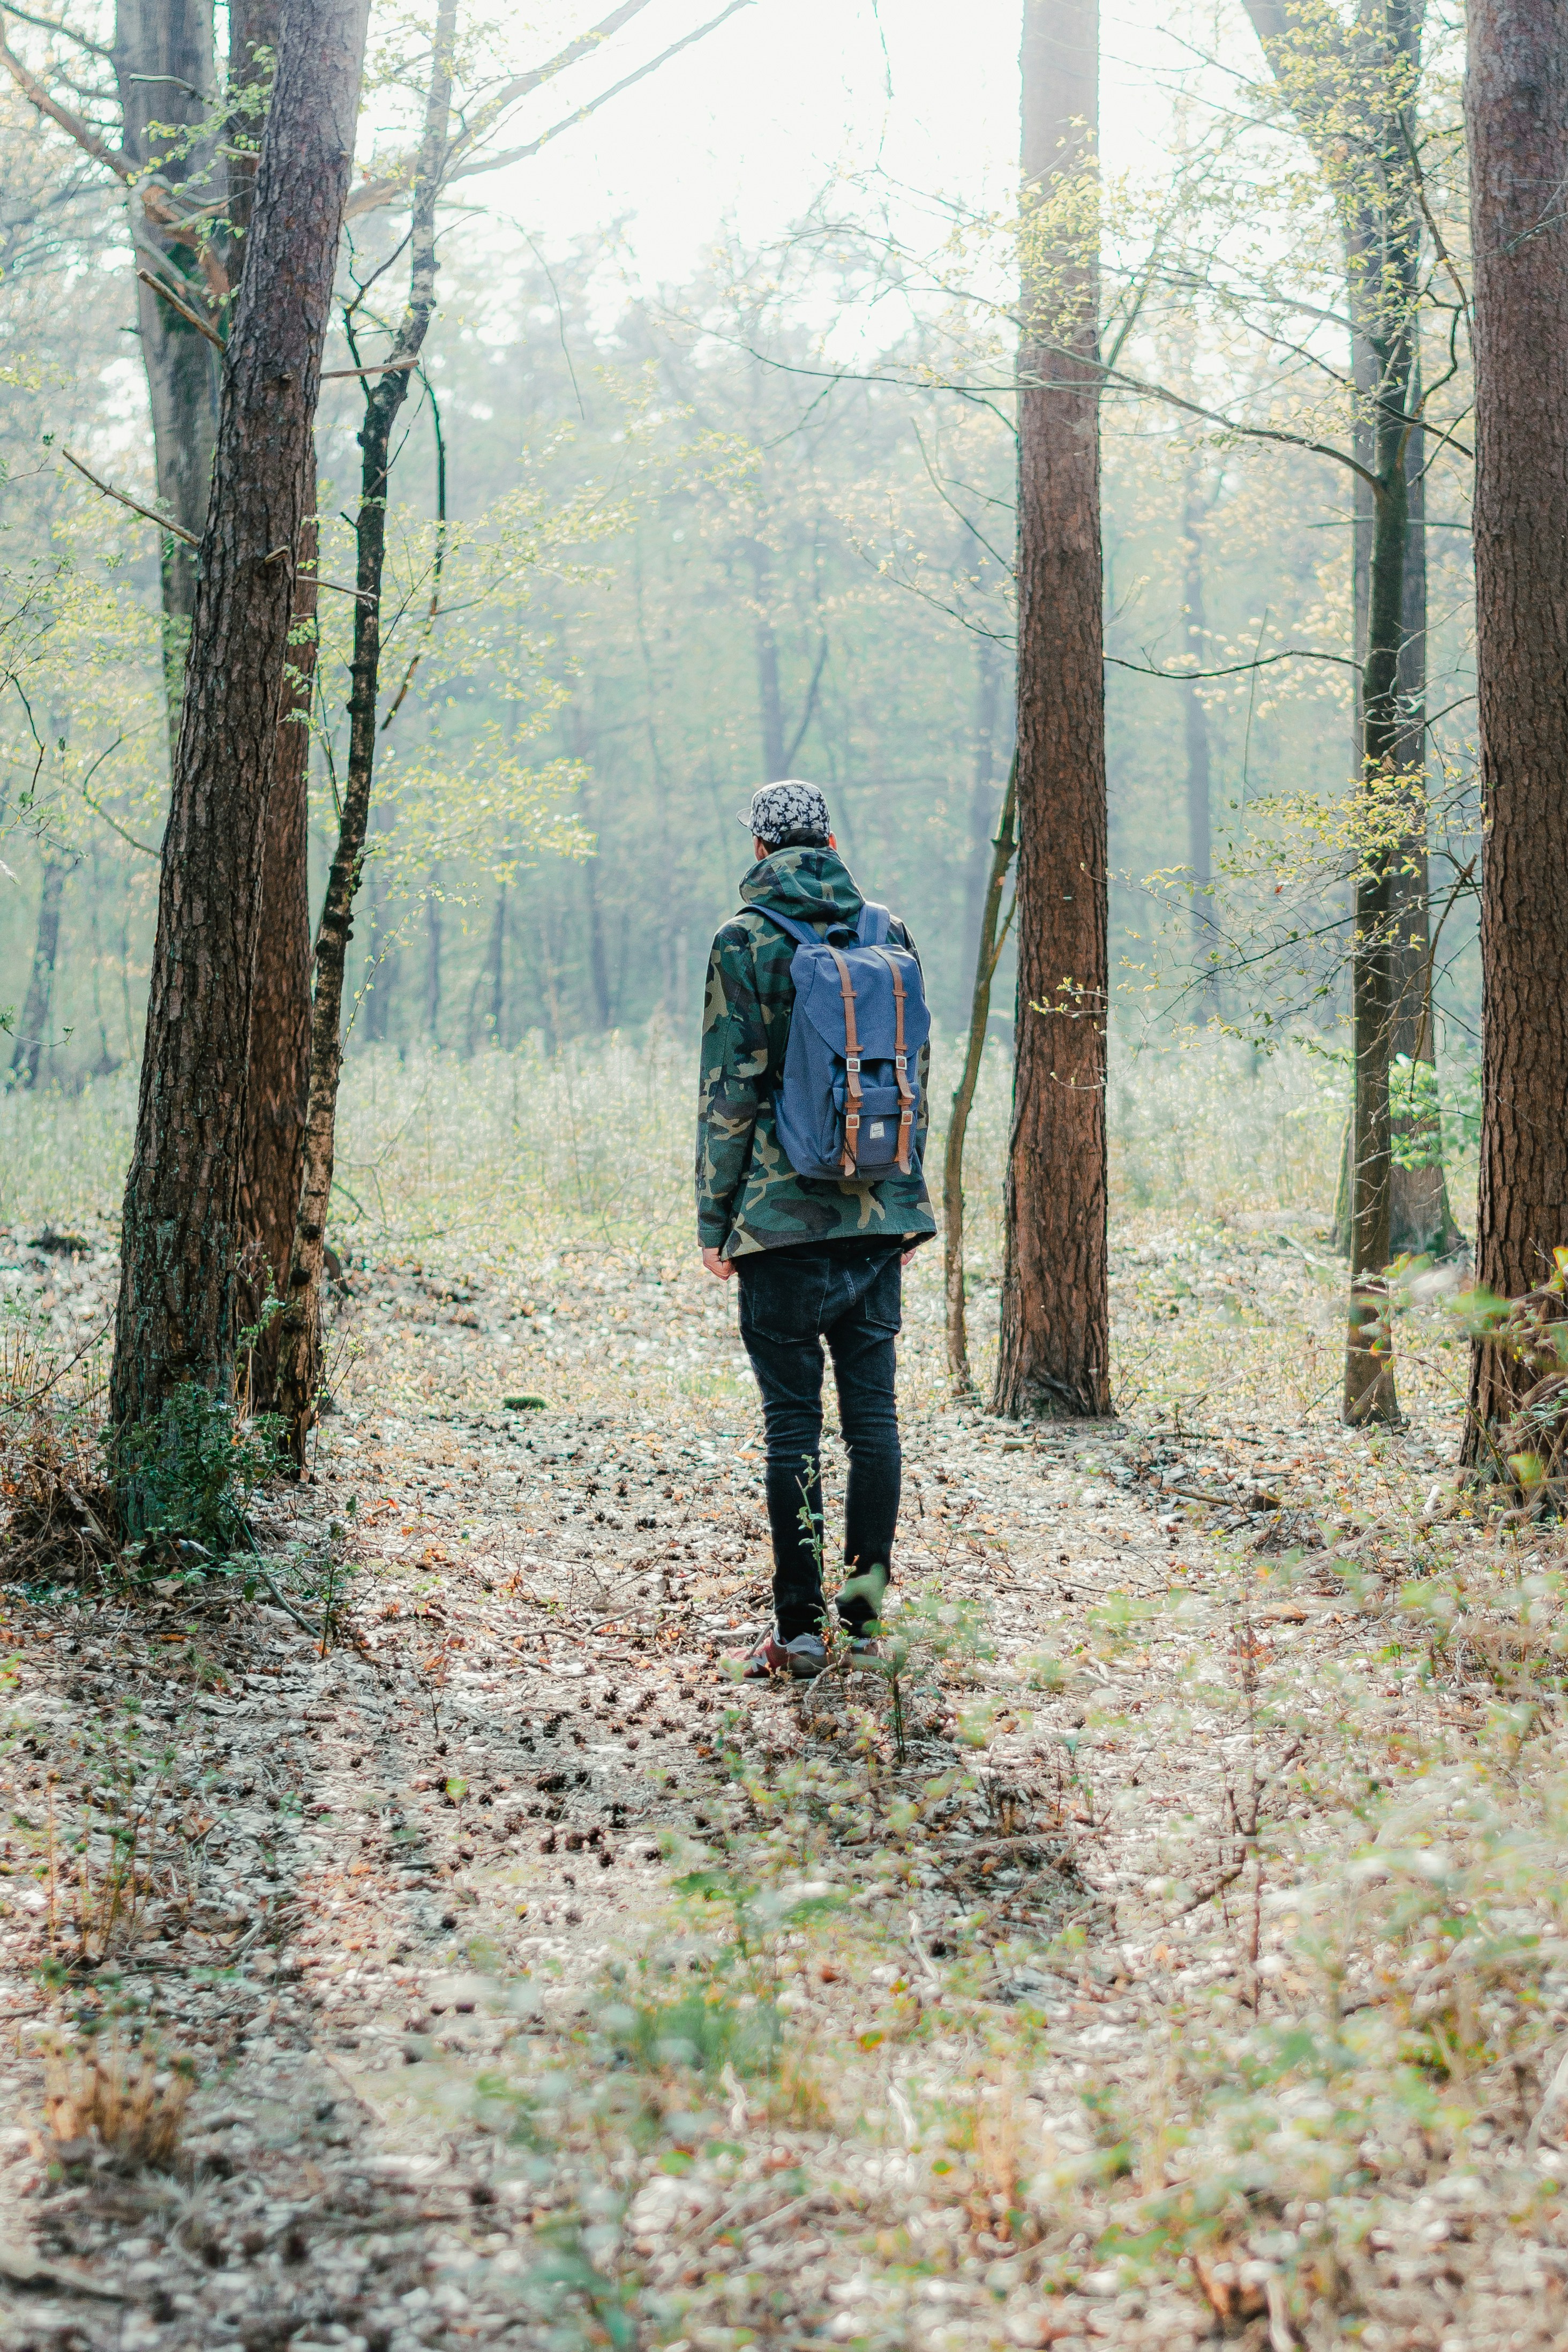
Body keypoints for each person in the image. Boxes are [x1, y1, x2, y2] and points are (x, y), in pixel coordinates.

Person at [695, 781, 935, 1680]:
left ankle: (798, 1630)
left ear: (760, 849)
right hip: (880, 1217)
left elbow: (729, 1088)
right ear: (832, 840)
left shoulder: (743, 939)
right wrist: (907, 1197)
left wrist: (714, 1219)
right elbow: (912, 1071)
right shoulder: (889, 933)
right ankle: (866, 1623)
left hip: (780, 1223)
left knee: (792, 1425)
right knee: (873, 1419)